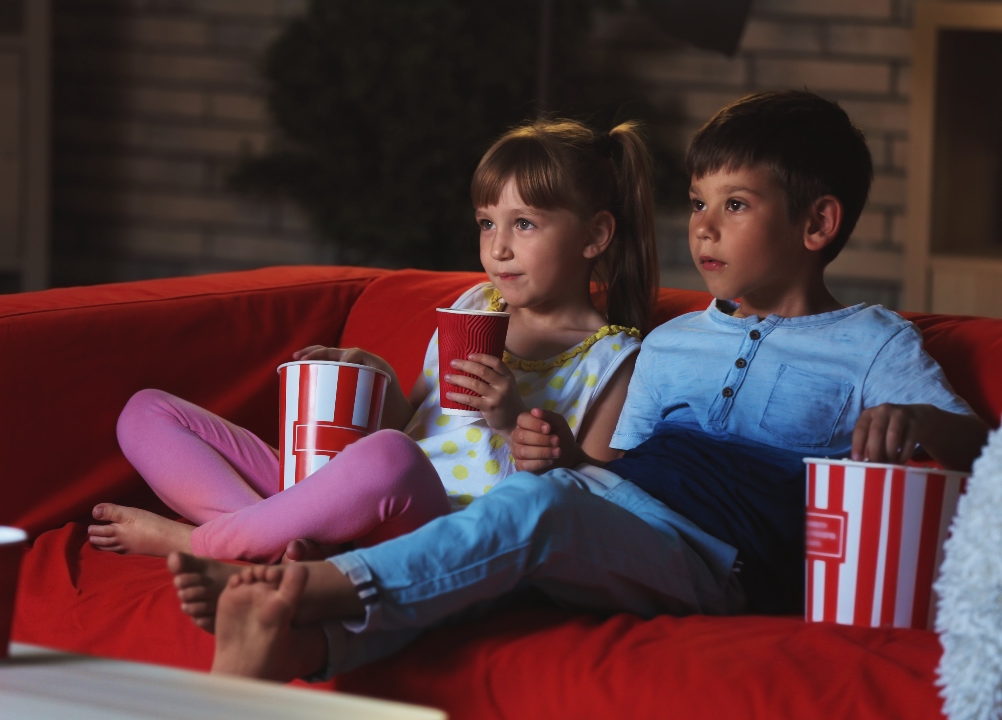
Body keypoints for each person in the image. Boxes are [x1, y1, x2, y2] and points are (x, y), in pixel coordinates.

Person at [169, 90, 990, 682]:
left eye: (735, 205)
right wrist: (554, 446)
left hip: (719, 557)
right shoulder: (672, 342)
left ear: (818, 225)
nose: (703, 225)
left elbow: (977, 441)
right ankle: (301, 646)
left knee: (533, 514)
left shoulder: (871, 342)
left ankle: (294, 587)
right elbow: (610, 461)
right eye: (699, 203)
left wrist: (915, 419)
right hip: (610, 509)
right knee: (509, 538)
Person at [86, 118, 657, 566]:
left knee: (388, 458)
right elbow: (416, 423)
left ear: (596, 234)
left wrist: (511, 422)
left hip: (443, 526)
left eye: (525, 224)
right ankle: (287, 550)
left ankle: (201, 545)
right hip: (356, 499)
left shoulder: (613, 360)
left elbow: (596, 501)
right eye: (487, 223)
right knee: (146, 413)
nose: (498, 248)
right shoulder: (472, 306)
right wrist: (371, 375)